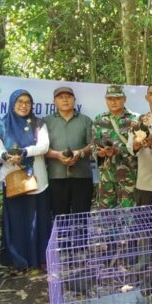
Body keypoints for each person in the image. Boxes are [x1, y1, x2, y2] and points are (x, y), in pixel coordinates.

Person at [0, 89, 51, 270]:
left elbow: (44, 146)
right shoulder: (1, 125)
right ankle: (18, 258)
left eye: (27, 102)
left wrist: (25, 152)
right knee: (16, 218)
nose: (23, 105)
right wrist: (7, 155)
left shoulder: (38, 123)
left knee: (38, 218)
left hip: (37, 178)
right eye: (19, 101)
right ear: (12, 103)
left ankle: (40, 258)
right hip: (13, 179)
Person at [44, 86, 94, 217]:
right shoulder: (46, 122)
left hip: (82, 176)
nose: (65, 100)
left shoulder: (85, 120)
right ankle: (61, 238)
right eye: (60, 97)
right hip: (56, 176)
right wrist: (57, 155)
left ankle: (81, 237)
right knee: (60, 218)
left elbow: (93, 144)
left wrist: (80, 153)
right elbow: (41, 148)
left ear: (74, 100)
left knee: (82, 218)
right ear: (54, 101)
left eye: (68, 97)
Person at [92, 85, 138, 209]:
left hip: (129, 176)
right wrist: (98, 153)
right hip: (106, 176)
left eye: (117, 98)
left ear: (124, 99)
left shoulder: (135, 119)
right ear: (106, 100)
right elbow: (93, 144)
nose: (113, 102)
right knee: (106, 216)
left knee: (129, 214)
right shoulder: (99, 119)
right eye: (110, 98)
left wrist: (117, 151)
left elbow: (139, 148)